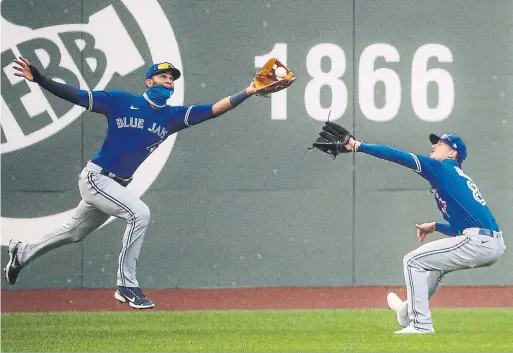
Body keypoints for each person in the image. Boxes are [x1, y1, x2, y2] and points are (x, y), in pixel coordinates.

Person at [4, 56, 257, 309]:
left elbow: (215, 109)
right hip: (96, 178)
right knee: (140, 213)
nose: (168, 82)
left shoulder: (172, 117)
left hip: (116, 185)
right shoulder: (120, 101)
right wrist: (39, 79)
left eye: (171, 79)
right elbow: (77, 96)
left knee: (74, 232)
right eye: (162, 77)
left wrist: (248, 91)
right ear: (149, 82)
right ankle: (126, 285)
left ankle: (23, 252)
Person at [344, 132, 506, 334]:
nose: (435, 145)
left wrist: (358, 145)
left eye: (441, 143)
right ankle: (406, 311)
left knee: (413, 261)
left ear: (452, 153)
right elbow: (459, 229)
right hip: (491, 243)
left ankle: (421, 325)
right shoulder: (454, 176)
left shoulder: (442, 169)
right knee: (434, 268)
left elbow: (398, 156)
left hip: (480, 241)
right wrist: (437, 226)